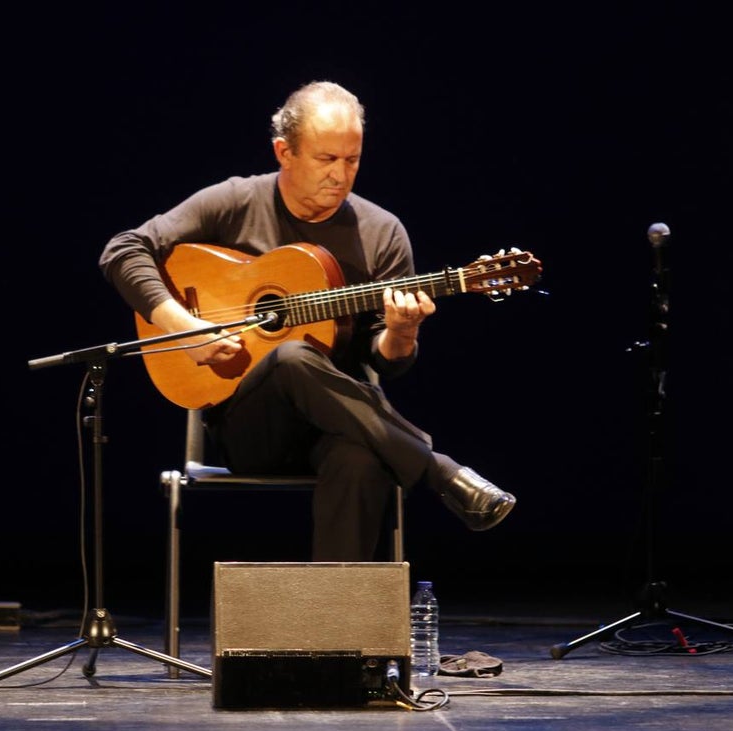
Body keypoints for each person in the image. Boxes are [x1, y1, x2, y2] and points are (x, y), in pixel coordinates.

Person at [99, 80, 516, 561]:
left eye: (352, 160)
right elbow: (122, 249)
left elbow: (389, 361)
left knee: (364, 460)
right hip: (251, 426)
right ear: (284, 151)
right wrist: (181, 326)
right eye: (326, 160)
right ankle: (440, 471)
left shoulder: (381, 234)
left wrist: (402, 332)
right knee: (292, 355)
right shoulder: (235, 202)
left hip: (346, 424)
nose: (341, 175)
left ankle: (337, 631)